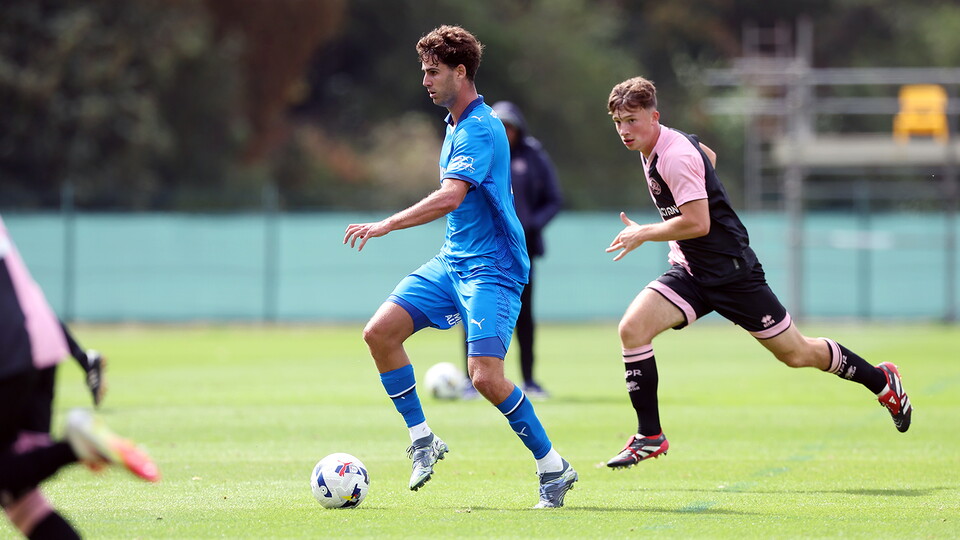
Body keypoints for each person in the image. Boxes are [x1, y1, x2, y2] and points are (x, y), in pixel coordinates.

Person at [601, 76, 913, 469]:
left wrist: (645, 233)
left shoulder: (675, 155)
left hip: (733, 274)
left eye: (631, 120)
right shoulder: (659, 148)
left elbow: (698, 222)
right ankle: (650, 435)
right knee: (632, 329)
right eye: (617, 121)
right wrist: (700, 185)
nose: (624, 130)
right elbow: (707, 157)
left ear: (654, 116)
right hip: (692, 272)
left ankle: (883, 382)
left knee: (798, 354)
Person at [343, 25, 577, 508]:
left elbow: (452, 196)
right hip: (453, 262)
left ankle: (552, 467)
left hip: (492, 268)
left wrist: (388, 223)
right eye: (423, 72)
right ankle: (424, 440)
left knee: (486, 377)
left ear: (460, 71)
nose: (425, 81)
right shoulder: (453, 125)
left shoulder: (480, 127)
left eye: (433, 72)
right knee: (379, 333)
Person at [0, 215, 159, 539]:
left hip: (8, 350)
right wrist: (80, 355)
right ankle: (74, 445)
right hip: (40, 342)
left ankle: (73, 446)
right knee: (21, 498)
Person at [461, 101, 563, 400]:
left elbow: (554, 199)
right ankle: (473, 382)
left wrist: (531, 224)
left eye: (511, 126)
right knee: (476, 313)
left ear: (518, 128)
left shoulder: (533, 155)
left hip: (522, 250)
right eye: (501, 126)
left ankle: (529, 380)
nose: (506, 131)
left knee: (524, 315)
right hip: (484, 248)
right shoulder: (481, 150)